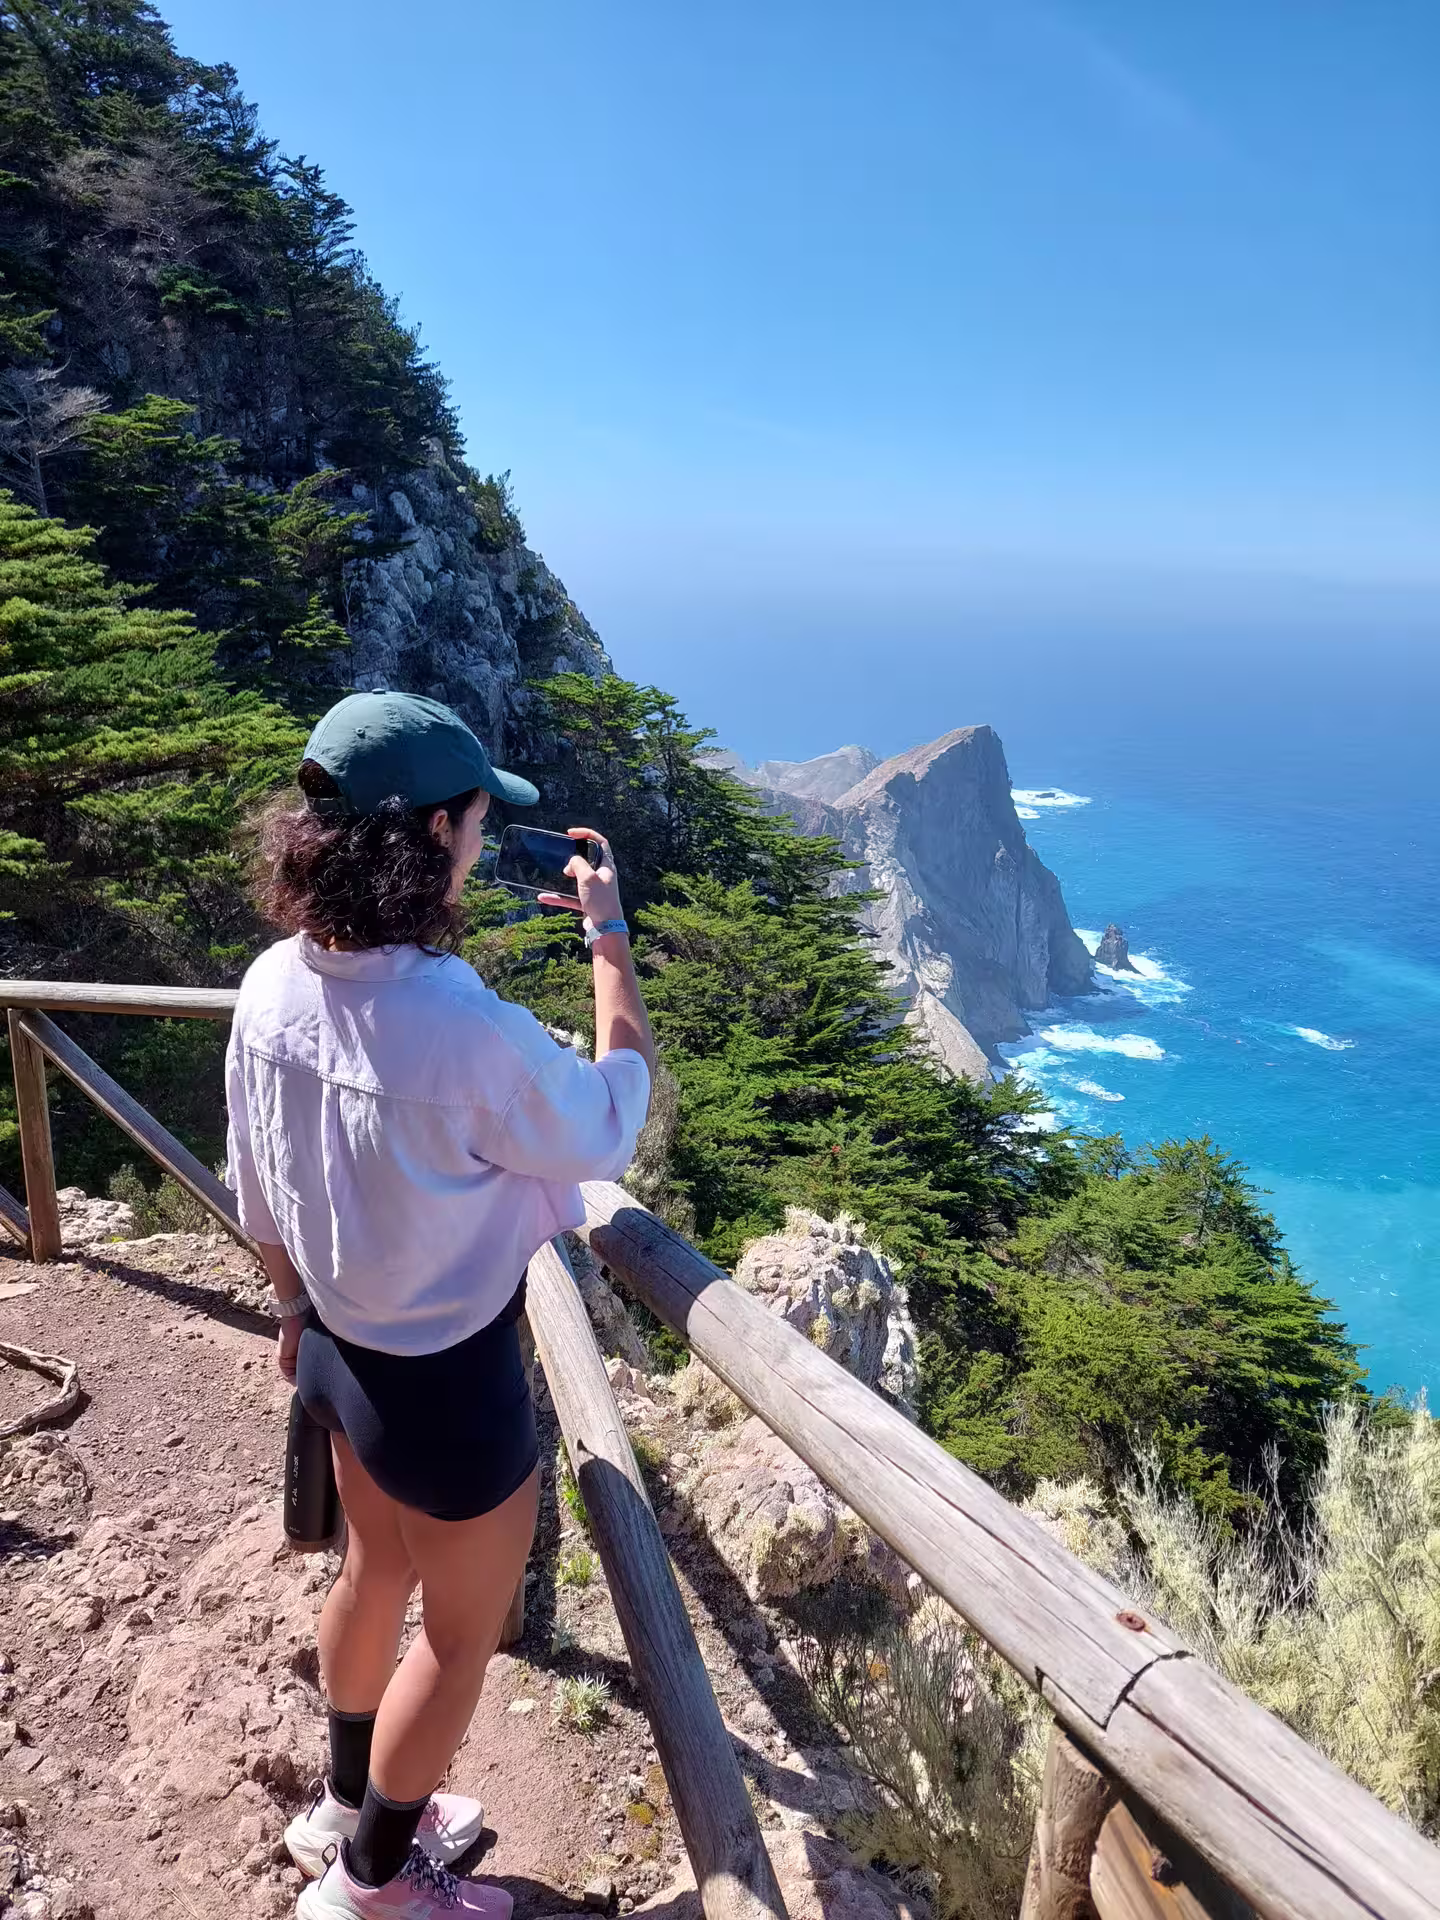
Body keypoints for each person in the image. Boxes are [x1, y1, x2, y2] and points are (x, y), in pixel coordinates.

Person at [225, 692, 654, 1920]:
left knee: (370, 1576)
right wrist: (609, 943)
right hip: (448, 1386)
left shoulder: (268, 986)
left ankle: (343, 1801)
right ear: (430, 834)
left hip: (338, 1351)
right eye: (474, 817)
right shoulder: (467, 1029)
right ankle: (372, 1884)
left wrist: (297, 1309)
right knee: (458, 1644)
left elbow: (258, 1192)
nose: (482, 836)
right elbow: (613, 1111)